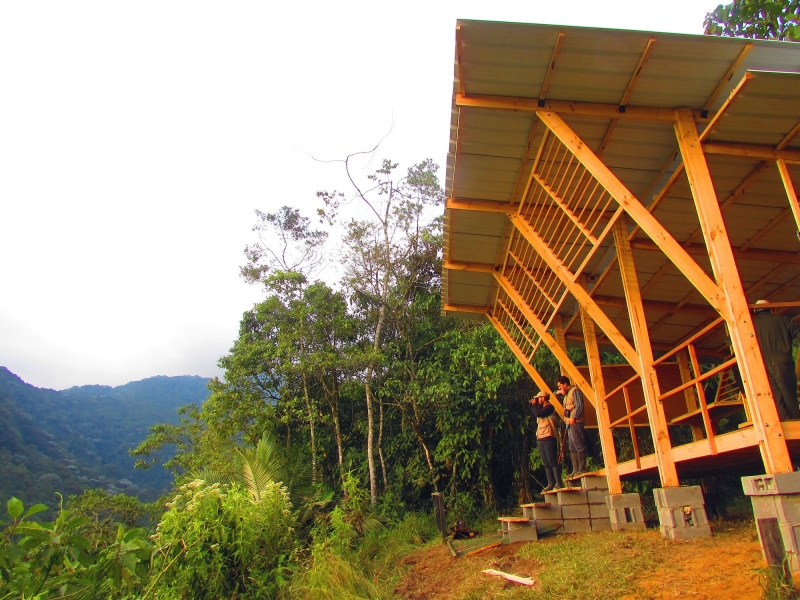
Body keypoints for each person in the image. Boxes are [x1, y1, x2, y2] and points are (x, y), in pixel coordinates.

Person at [753, 299, 800, 420]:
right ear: (772, 309)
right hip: (782, 361)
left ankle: (784, 424)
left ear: (755, 311)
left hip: (761, 364)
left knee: (775, 397)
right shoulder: (781, 319)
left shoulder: (751, 324)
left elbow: (730, 341)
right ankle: (796, 423)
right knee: (789, 394)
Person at [530, 390, 564, 492]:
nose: (538, 400)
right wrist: (533, 405)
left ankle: (558, 482)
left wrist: (534, 405)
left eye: (539, 398)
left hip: (549, 436)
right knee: (545, 462)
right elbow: (535, 413)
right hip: (541, 437)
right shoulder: (540, 408)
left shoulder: (549, 407)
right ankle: (550, 483)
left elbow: (538, 413)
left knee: (552, 460)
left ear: (544, 398)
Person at [556, 375, 587, 476]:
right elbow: (551, 395)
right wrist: (559, 392)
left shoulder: (575, 391)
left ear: (565, 384)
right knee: (572, 447)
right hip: (568, 422)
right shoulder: (565, 394)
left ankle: (582, 469)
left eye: (560, 386)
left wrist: (575, 417)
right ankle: (575, 469)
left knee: (579, 444)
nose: (559, 388)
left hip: (575, 421)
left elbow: (580, 406)